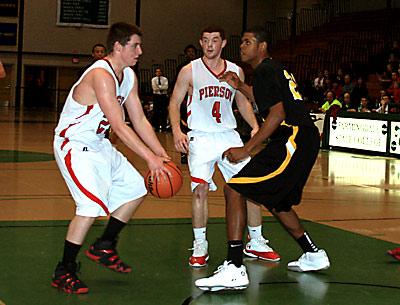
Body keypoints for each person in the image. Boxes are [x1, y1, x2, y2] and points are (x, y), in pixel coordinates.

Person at [195, 27, 330, 292]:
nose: (242, 46)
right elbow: (271, 100)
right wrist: (242, 87)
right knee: (278, 201)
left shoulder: (267, 70)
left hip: (292, 138)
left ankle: (234, 268)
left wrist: (245, 150)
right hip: (303, 138)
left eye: (248, 42)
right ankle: (313, 254)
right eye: (242, 42)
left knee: (234, 189)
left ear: (263, 46)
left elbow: (277, 114)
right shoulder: (272, 70)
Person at [51, 22, 171, 294]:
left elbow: (139, 118)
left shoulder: (127, 75)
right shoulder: (101, 75)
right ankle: (64, 270)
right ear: (118, 46)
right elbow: (120, 126)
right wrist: (149, 158)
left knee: (138, 187)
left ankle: (105, 244)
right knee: (90, 208)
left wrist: (161, 153)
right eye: (135, 45)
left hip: (98, 143)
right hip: (74, 144)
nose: (140, 51)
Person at [169, 26, 280, 269]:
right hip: (200, 136)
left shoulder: (235, 69)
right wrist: (177, 131)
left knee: (250, 188)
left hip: (228, 136)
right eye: (205, 40)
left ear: (223, 43)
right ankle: (200, 244)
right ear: (201, 42)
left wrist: (253, 126)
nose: (209, 45)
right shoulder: (189, 71)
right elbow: (174, 102)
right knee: (199, 190)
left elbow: (241, 98)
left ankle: (256, 240)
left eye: (215, 40)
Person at [176, 44, 198, 164]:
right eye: (188, 52)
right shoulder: (182, 68)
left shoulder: (201, 66)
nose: (190, 54)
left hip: (199, 101)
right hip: (185, 101)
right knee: (185, 128)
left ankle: (196, 152)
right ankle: (184, 153)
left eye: (192, 51)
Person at [151, 67, 169, 131]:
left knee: (164, 111)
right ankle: (157, 126)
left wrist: (159, 87)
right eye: (157, 71)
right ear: (155, 73)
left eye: (159, 71)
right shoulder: (153, 79)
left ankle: (164, 126)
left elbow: (166, 87)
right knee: (156, 111)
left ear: (161, 72)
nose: (158, 73)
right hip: (156, 96)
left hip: (163, 96)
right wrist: (161, 87)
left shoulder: (165, 79)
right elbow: (154, 88)